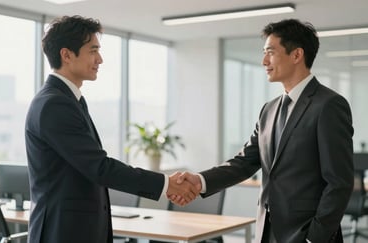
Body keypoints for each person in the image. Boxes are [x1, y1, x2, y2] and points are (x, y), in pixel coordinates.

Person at [172, 19, 354, 243]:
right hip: (267, 231)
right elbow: (245, 162)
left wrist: (315, 237)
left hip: (307, 234)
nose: (264, 61)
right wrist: (200, 180)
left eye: (270, 52)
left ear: (297, 55)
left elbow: (339, 182)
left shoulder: (329, 105)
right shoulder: (268, 110)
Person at [25, 15, 199, 243]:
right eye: (93, 51)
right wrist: (165, 184)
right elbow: (99, 167)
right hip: (62, 232)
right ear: (66, 55)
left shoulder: (69, 100)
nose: (100, 59)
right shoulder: (54, 104)